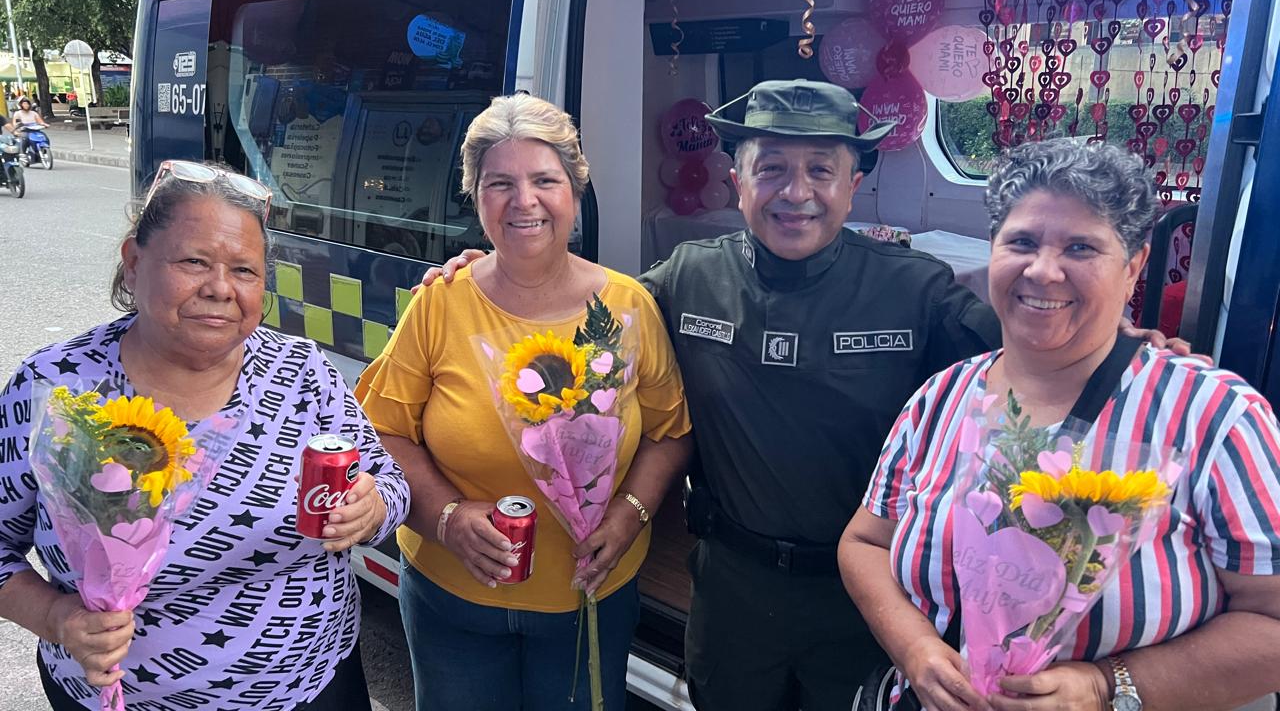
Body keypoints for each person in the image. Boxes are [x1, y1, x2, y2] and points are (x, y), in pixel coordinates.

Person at [421, 80, 1189, 710]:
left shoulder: (914, 290)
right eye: (772, 169)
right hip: (730, 588)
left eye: (822, 170)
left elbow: (1036, 346)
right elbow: (584, 315)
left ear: (854, 185)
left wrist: (1126, 346)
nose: (798, 193)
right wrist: (494, 269)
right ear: (737, 181)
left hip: (867, 596)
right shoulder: (688, 278)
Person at [840, 138, 1280, 711]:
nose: (1044, 271)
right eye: (1021, 241)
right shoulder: (941, 399)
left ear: (1134, 266)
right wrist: (916, 648)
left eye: (1081, 247)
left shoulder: (1214, 417)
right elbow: (865, 542)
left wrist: (1106, 687)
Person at [0, 160, 410, 710]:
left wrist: (374, 508)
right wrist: (57, 618)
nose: (220, 289)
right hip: (116, 696)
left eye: (244, 270)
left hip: (313, 686)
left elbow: (386, 478)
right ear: (133, 262)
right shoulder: (54, 389)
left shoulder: (301, 372)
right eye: (194, 261)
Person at [353, 93, 692, 711]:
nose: (524, 201)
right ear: (476, 198)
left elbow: (672, 432)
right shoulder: (441, 302)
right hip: (451, 600)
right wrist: (447, 516)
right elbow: (382, 429)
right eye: (499, 183)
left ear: (574, 190)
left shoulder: (625, 307)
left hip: (590, 596)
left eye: (544, 180)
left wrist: (631, 512)